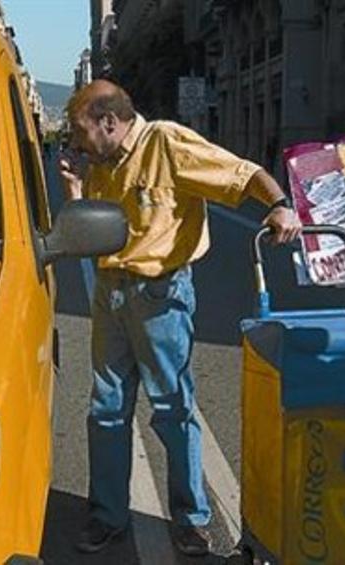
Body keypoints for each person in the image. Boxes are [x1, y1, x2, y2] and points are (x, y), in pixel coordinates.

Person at [58, 79, 302, 556]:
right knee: (106, 409)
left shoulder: (167, 143)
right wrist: (73, 187)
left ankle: (190, 518)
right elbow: (83, 230)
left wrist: (278, 205)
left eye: (79, 129)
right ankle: (107, 515)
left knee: (172, 409)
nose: (74, 140)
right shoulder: (101, 162)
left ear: (110, 122)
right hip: (110, 293)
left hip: (159, 295)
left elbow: (244, 173)